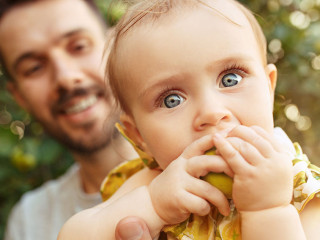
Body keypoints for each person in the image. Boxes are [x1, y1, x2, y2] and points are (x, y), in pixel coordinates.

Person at [58, 0, 320, 239]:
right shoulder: (153, 184)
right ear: (139, 136)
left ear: (269, 88)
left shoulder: (296, 185)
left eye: (231, 79)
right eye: (172, 99)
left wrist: (268, 209)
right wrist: (154, 205)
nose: (211, 112)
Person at [0, 0, 141, 239]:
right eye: (34, 68)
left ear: (115, 45)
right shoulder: (29, 221)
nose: (65, 77)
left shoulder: (212, 161)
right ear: (19, 97)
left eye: (79, 46)